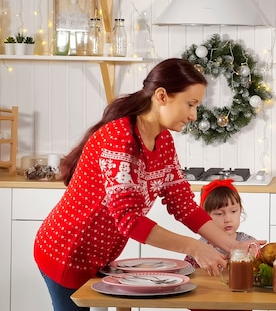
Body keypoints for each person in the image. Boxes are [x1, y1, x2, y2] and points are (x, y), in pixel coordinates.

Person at [34, 58, 264, 311]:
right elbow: (128, 220)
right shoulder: (119, 137)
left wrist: (233, 246)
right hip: (66, 252)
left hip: (100, 257)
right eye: (191, 104)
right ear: (162, 96)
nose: (193, 115)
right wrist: (195, 247)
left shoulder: (163, 140)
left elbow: (183, 205)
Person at [184, 178, 256, 267]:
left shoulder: (248, 243)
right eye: (219, 214)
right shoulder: (200, 247)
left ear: (240, 210)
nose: (228, 219)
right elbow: (188, 273)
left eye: (233, 211)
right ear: (204, 216)